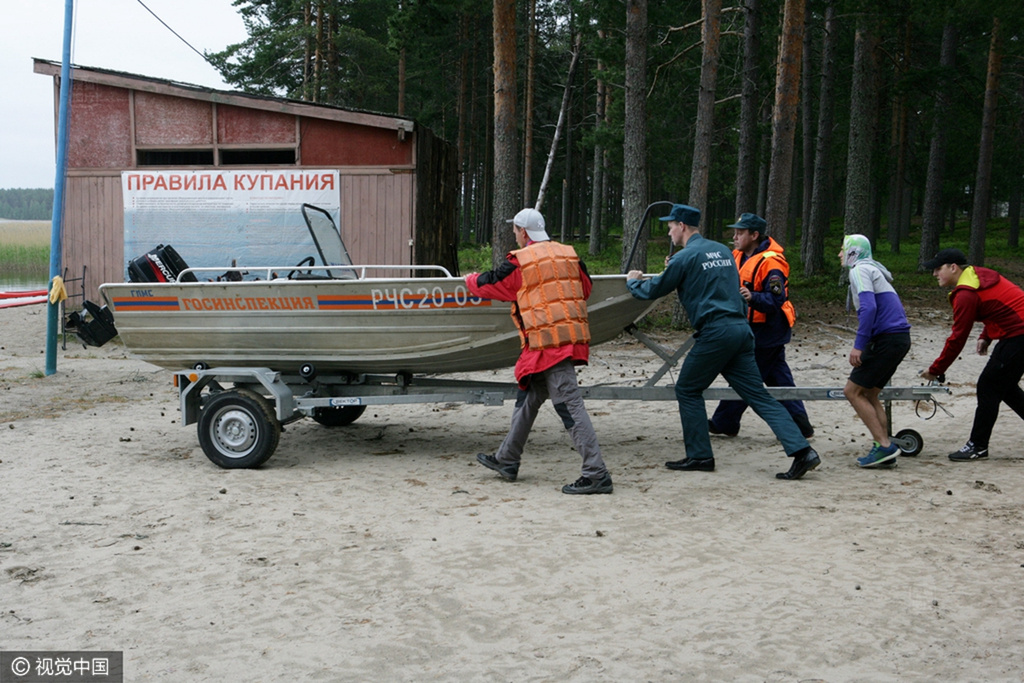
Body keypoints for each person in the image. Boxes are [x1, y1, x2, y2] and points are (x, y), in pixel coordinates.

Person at [625, 203, 820, 480]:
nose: (669, 233)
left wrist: (633, 282)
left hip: (716, 333)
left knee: (688, 389)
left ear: (682, 226)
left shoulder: (686, 256)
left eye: (670, 227)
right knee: (758, 395)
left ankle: (699, 455)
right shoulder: (724, 252)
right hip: (742, 331)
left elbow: (654, 289)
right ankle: (803, 452)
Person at [466, 208, 613, 494]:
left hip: (549, 345)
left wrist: (469, 280)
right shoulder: (568, 254)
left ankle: (596, 474)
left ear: (523, 232)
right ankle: (507, 459)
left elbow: (493, 283)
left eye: (515, 232)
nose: (515, 236)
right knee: (529, 397)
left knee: (570, 407)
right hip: (563, 341)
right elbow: (585, 288)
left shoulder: (522, 261)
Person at [708, 213, 814, 439]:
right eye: (734, 232)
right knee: (778, 376)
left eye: (740, 232)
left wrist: (753, 297)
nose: (734, 236)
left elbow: (776, 300)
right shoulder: (736, 255)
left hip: (768, 329)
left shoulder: (772, 263)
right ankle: (800, 423)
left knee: (745, 376)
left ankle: (724, 421)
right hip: (752, 328)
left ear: (754, 235)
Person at [919, 248, 1024, 462]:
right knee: (1004, 386)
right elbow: (999, 304)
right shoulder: (976, 275)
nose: (934, 274)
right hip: (1016, 333)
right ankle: (978, 445)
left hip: (1019, 335)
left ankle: (977, 446)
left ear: (953, 267)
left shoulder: (966, 293)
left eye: (938, 269)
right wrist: (986, 335)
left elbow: (957, 338)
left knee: (989, 385)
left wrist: (936, 370)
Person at [838, 234, 912, 468]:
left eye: (843, 250)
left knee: (852, 392)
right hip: (899, 339)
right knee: (869, 394)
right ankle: (884, 447)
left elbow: (869, 308)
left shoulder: (859, 270)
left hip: (886, 339)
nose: (840, 254)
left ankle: (884, 445)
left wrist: (859, 345)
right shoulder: (874, 270)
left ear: (853, 252)